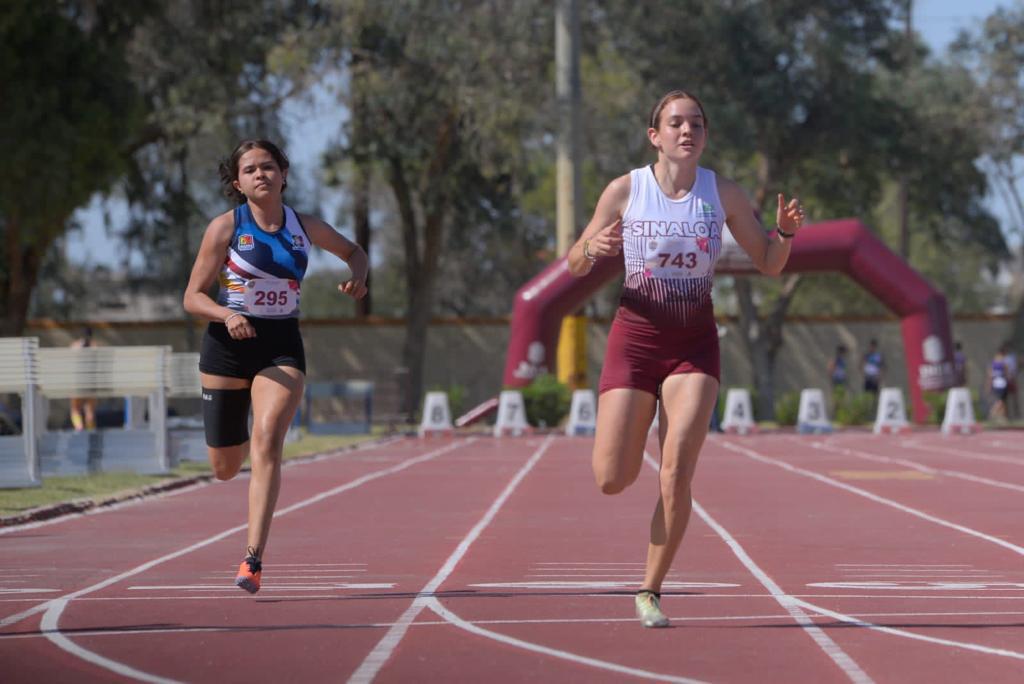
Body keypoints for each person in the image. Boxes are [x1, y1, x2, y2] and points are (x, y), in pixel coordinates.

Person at [567, 90, 804, 628]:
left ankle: (650, 590)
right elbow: (574, 263)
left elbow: (769, 263)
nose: (686, 130)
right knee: (612, 477)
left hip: (694, 346)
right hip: (634, 341)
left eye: (696, 122)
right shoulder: (626, 190)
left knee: (676, 471)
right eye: (675, 123)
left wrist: (785, 232)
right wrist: (591, 250)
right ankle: (629, 459)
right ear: (655, 136)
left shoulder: (722, 193)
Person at [183, 139, 367, 594]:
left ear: (284, 174)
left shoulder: (305, 226)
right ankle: (237, 440)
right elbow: (192, 297)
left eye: (268, 166)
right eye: (250, 169)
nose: (260, 174)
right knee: (226, 467)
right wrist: (227, 314)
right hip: (227, 346)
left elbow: (354, 252)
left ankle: (253, 559)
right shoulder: (225, 229)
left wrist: (358, 277)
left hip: (280, 345)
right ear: (237, 182)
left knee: (268, 439)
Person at [69, 326, 97, 431]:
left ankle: (79, 427)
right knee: (90, 410)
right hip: (91, 384)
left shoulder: (74, 346)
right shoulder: (95, 346)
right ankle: (90, 430)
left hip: (77, 384)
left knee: (75, 409)